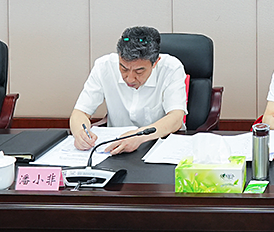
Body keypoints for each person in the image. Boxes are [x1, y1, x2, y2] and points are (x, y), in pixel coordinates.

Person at [70, 26, 187, 155]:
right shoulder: (103, 66)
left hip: (159, 146)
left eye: (139, 71)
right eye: (124, 68)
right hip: (116, 148)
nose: (130, 78)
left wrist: (139, 136)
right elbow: (80, 112)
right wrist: (80, 134)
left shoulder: (171, 68)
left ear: (155, 63)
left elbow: (176, 118)